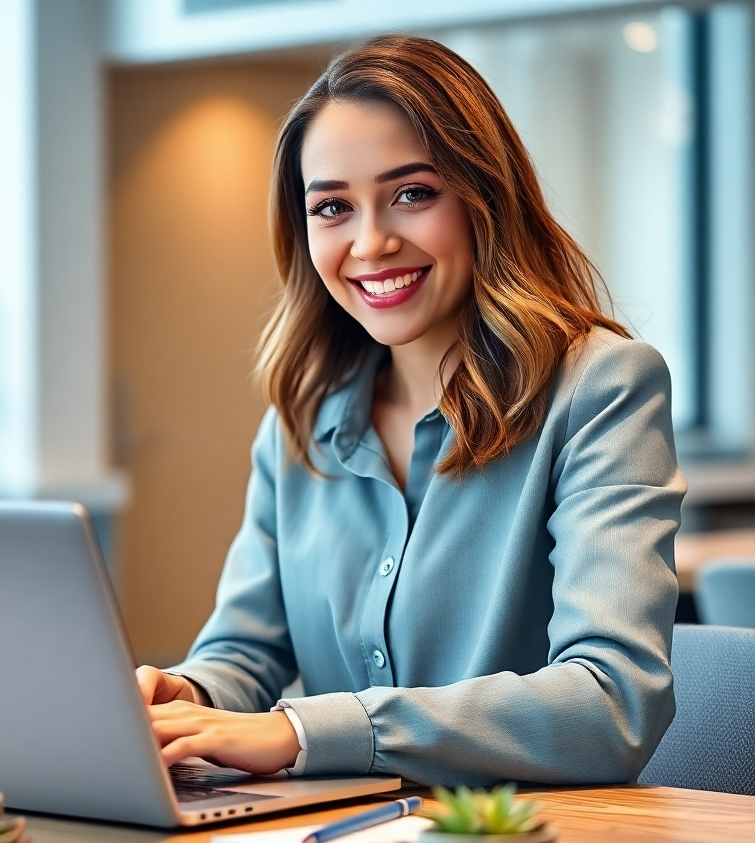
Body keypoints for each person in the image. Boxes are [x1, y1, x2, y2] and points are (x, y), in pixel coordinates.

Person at [136, 34, 685, 786]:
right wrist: (189, 699)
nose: (371, 242)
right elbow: (247, 652)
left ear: (483, 196)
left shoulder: (601, 389)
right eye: (332, 207)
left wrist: (304, 733)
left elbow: (611, 701)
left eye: (412, 193)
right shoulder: (300, 421)